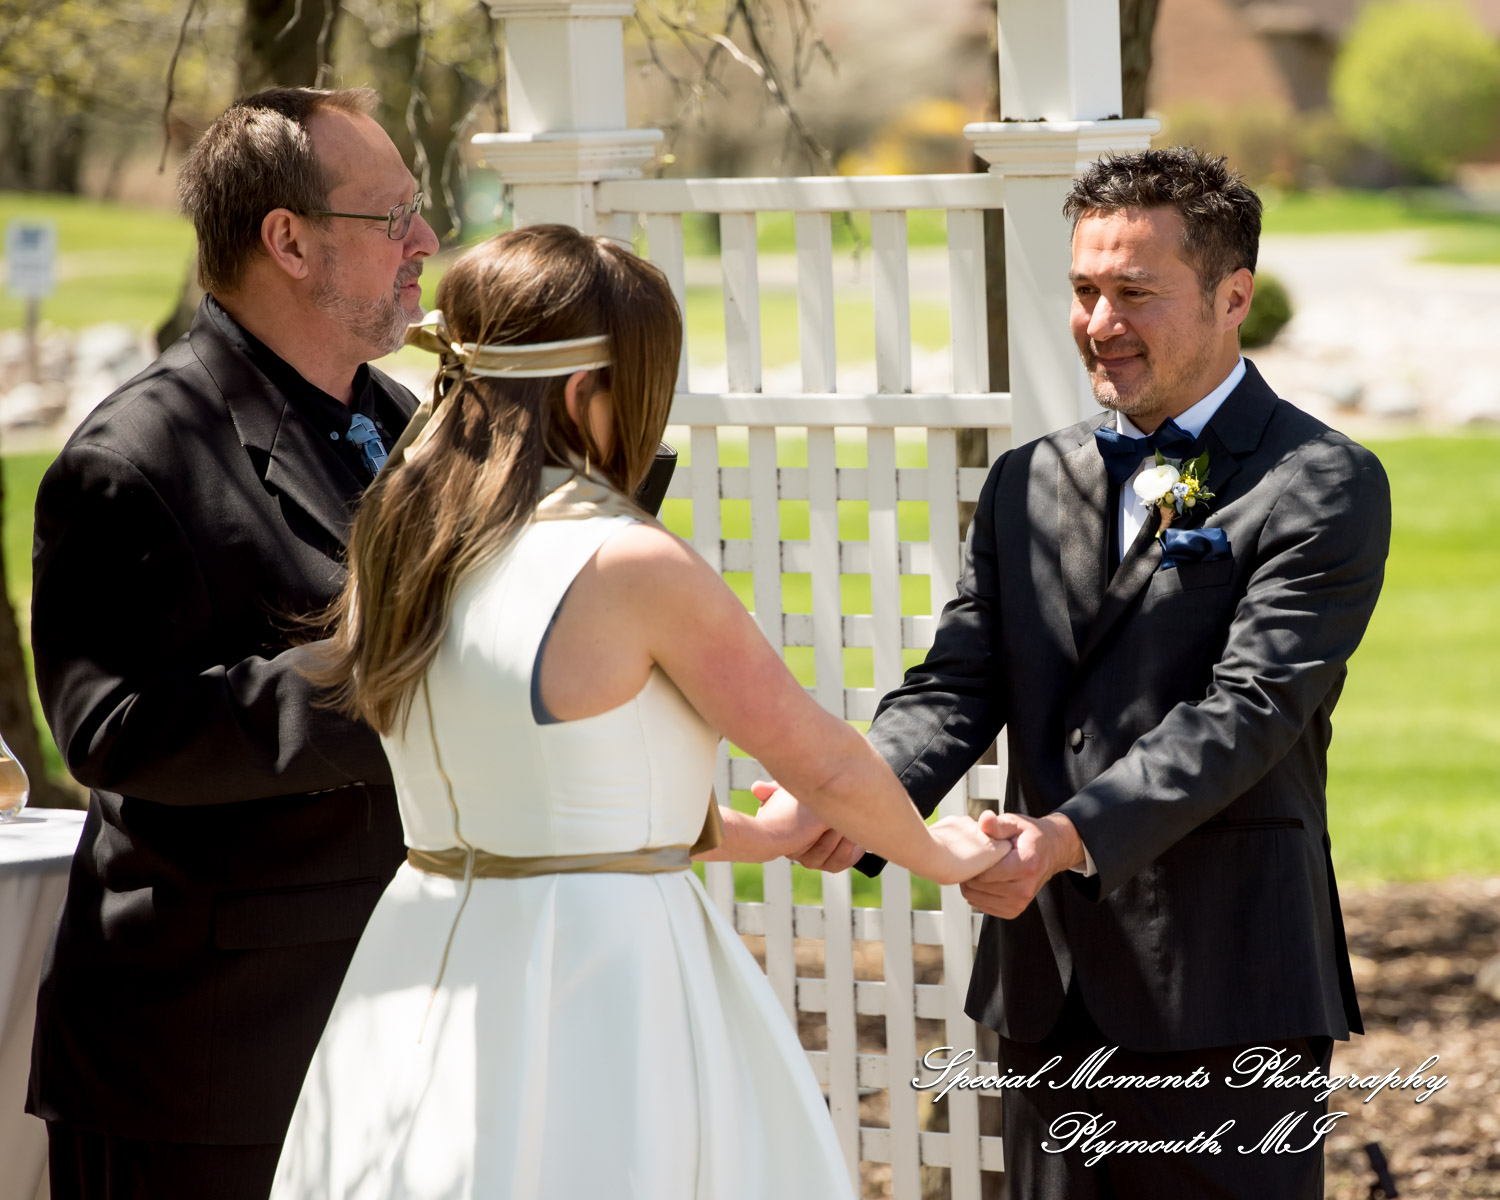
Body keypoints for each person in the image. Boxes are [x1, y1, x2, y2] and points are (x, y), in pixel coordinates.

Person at [268, 223, 1012, 1200]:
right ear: (585, 391)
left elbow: (542, 792)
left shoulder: (401, 539)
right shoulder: (627, 562)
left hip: (422, 949)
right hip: (603, 970)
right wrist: (950, 855)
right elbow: (822, 759)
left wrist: (754, 834)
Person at [769, 148, 1392, 1198]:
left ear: (1232, 297)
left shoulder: (1321, 482)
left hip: (1229, 980)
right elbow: (958, 681)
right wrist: (853, 789)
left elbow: (1248, 713)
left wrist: (1063, 838)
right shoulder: (1028, 479)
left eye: (1134, 293)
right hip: (1049, 983)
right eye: (1086, 290)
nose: (1100, 321)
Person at [28, 86, 439, 1200]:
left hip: (394, 1030)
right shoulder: (137, 453)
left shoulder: (401, 418)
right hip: (209, 1066)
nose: (426, 242)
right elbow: (110, 733)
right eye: (392, 214)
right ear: (290, 241)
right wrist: (398, 677)